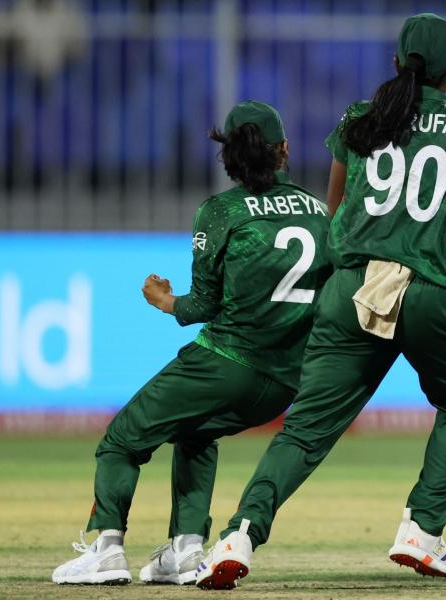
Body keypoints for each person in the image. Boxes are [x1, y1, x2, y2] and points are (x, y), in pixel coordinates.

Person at [194, 13, 446, 591]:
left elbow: (335, 212)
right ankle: (422, 531)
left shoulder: (358, 120)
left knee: (304, 430)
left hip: (350, 288)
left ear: (398, 64)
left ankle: (239, 535)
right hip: (428, 291)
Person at [51, 101, 332, 585]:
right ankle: (185, 549)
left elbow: (201, 306)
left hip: (225, 360)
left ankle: (106, 546)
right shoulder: (321, 212)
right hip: (285, 380)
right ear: (283, 150)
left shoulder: (220, 211)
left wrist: (164, 301)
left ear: (230, 157)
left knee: (121, 440)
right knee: (196, 432)